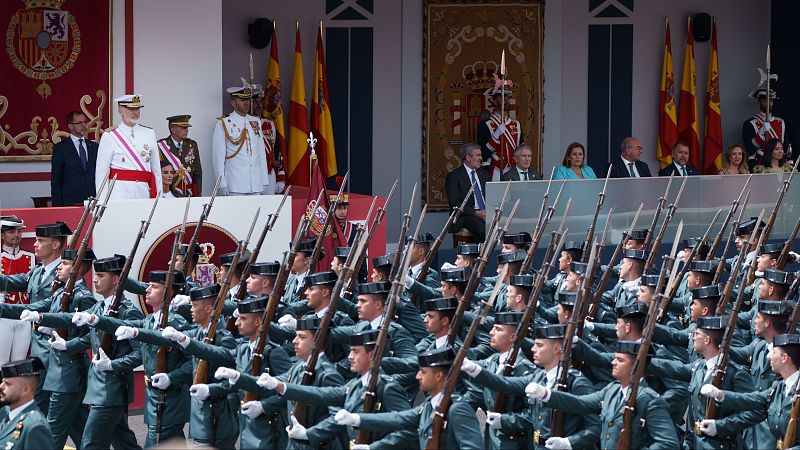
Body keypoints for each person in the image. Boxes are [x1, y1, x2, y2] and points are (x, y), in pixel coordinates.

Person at [33, 254, 144, 450]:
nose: (94, 279)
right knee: (124, 442)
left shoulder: (128, 312)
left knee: (90, 444)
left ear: (116, 279)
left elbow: (140, 353)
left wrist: (113, 365)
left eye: (101, 276)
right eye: (96, 274)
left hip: (113, 389)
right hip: (98, 387)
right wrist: (53, 329)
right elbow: (86, 335)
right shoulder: (99, 307)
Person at [254, 328, 415, 448]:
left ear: (372, 355)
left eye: (355, 352)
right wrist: (281, 386)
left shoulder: (388, 387)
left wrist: (374, 448)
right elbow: (320, 395)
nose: (350, 357)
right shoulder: (355, 385)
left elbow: (407, 430)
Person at [525, 341, 679, 449]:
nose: (612, 363)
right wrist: (546, 394)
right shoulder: (612, 390)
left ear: (635, 367)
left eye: (619, 360)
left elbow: (668, 444)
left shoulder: (649, 400)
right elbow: (581, 403)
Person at [332, 347, 485, 450]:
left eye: (423, 372)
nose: (417, 376)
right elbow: (397, 418)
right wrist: (356, 419)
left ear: (439, 376)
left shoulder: (457, 409)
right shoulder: (429, 405)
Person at [95, 94, 162, 199]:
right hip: (119, 193)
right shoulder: (110, 135)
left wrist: (159, 198)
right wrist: (101, 201)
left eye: (138, 109)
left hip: (143, 192)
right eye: (131, 109)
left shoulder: (149, 133)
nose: (136, 113)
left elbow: (156, 171)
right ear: (120, 111)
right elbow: (101, 173)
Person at [212, 80, 271, 196]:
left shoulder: (255, 121)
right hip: (235, 183)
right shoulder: (224, 123)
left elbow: (261, 153)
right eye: (242, 100)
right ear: (233, 102)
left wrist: (264, 180)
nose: (246, 103)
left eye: (248, 99)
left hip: (255, 183)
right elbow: (218, 158)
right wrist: (221, 183)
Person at [0, 357, 54, 449]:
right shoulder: (4, 413)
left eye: (8, 384)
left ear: (25, 389)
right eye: (2, 382)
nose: (1, 386)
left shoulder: (35, 427)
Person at [0, 216, 33, 364]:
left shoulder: (30, 257)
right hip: (4, 316)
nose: (16, 235)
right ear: (2, 235)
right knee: (1, 363)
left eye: (18, 232)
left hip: (24, 315)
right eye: (11, 232)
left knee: (20, 363)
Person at [51, 110, 98, 206]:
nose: (84, 125)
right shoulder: (61, 148)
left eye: (85, 122)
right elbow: (56, 180)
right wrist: (58, 208)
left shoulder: (94, 147)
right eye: (79, 123)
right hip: (71, 202)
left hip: (93, 202)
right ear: (70, 126)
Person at [477, 85, 524, 181]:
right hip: (496, 169)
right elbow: (483, 153)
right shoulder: (485, 125)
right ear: (494, 101)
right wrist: (496, 136)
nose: (506, 99)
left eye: (507, 97)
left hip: (514, 169)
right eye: (502, 97)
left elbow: (521, 149)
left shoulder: (516, 124)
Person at [445, 143, 489, 242]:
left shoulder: (484, 173)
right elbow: (455, 203)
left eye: (480, 155)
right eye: (478, 155)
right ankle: (478, 255)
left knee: (505, 226)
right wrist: (476, 213)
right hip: (466, 216)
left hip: (486, 213)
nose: (481, 158)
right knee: (484, 230)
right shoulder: (454, 176)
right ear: (468, 157)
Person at [157, 114, 202, 196]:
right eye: (183, 128)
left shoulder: (192, 145)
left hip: (189, 193)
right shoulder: (161, 146)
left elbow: (198, 174)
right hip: (170, 194)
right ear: (173, 129)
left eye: (187, 127)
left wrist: (198, 195)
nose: (187, 130)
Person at [742, 87, 786, 169]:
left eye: (771, 101)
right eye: (766, 101)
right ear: (759, 102)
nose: (769, 103)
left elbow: (785, 145)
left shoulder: (780, 122)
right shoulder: (749, 123)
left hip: (778, 164)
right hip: (758, 163)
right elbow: (749, 148)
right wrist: (761, 133)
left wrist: (790, 163)